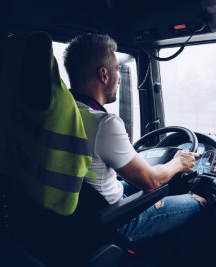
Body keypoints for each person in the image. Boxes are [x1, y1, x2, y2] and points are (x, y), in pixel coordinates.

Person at [63, 33, 206, 243]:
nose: (119, 79)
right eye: (117, 71)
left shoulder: (62, 113)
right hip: (115, 219)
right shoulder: (103, 123)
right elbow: (152, 181)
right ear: (103, 74)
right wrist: (177, 163)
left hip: (84, 211)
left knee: (159, 189)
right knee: (198, 202)